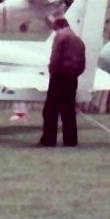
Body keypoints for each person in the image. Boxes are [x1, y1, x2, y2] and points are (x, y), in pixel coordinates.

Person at [38, 14, 86, 148]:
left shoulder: (60, 37)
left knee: (50, 109)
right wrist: (76, 73)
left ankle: (48, 139)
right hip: (72, 77)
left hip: (59, 75)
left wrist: (52, 70)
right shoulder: (78, 40)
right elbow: (83, 62)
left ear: (57, 25)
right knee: (69, 110)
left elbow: (55, 56)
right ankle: (70, 140)